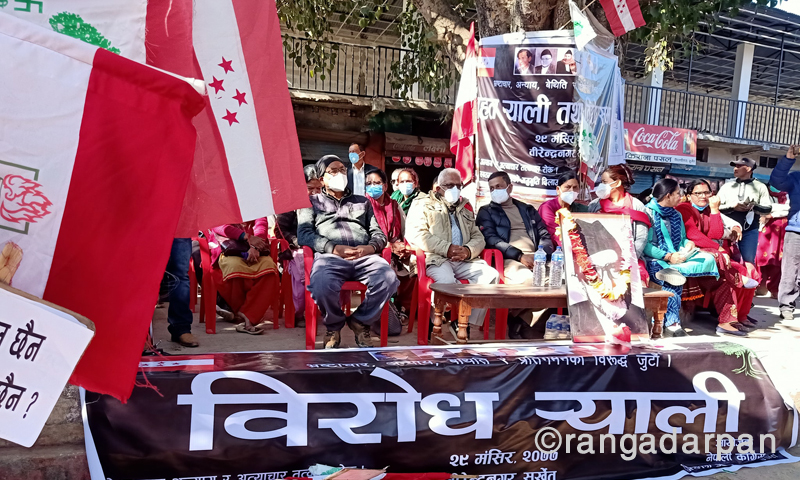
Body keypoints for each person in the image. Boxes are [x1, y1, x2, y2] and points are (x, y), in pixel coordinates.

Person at [298, 155, 398, 348]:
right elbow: (304, 234)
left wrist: (369, 248)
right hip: (330, 257)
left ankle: (360, 321)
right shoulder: (311, 202)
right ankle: (334, 326)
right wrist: (332, 248)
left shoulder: (363, 202)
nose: (340, 174)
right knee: (320, 284)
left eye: (343, 170)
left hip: (364, 257)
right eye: (333, 171)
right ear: (322, 179)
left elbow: (378, 233)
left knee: (388, 278)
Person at [406, 168, 500, 328]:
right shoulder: (422, 204)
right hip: (436, 258)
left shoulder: (465, 206)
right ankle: (434, 325)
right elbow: (417, 234)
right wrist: (447, 248)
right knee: (447, 282)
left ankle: (464, 325)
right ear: (438, 188)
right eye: (450, 185)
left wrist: (468, 251)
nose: (455, 189)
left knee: (491, 275)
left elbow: (478, 237)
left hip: (464, 260)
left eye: (458, 185)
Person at [676, 179, 760, 336]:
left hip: (710, 256)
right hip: (690, 253)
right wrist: (718, 248)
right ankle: (737, 278)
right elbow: (693, 235)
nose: (703, 196)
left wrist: (715, 210)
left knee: (728, 280)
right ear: (689, 196)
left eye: (706, 193)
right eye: (698, 193)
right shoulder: (684, 208)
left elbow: (716, 234)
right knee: (725, 262)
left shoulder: (709, 209)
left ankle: (728, 322)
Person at [476, 171, 553, 338]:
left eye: (499, 186)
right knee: (532, 281)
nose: (495, 191)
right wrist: (520, 256)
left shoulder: (527, 210)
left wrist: (540, 254)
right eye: (491, 188)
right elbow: (491, 239)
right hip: (509, 259)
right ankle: (526, 325)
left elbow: (545, 235)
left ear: (509, 187)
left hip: (537, 258)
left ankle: (518, 319)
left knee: (561, 281)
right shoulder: (486, 211)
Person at [644, 178, 719, 337]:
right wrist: (668, 256)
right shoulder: (647, 213)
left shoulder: (676, 215)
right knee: (673, 279)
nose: (681, 197)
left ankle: (669, 324)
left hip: (676, 257)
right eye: (678, 193)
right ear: (668, 195)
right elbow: (645, 245)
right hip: (655, 259)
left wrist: (688, 243)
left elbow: (682, 239)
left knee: (709, 259)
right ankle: (672, 324)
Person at [209, 218, 280, 335]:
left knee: (270, 270)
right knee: (234, 268)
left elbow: (261, 223)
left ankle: (248, 316)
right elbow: (217, 225)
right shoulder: (220, 205)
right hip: (228, 249)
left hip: (256, 247)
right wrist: (245, 236)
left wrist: (255, 246)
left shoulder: (256, 205)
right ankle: (243, 312)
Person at [275, 164, 323, 328]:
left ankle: (328, 310)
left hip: (320, 247)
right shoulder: (290, 203)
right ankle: (299, 311)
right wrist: (298, 242)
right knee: (302, 261)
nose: (315, 192)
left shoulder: (326, 204)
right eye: (310, 188)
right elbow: (280, 230)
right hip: (296, 248)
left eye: (319, 188)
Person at [588, 165, 651, 284]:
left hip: (630, 260)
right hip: (598, 257)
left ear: (617, 183)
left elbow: (641, 238)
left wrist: (628, 260)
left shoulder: (636, 206)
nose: (601, 185)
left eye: (604, 182)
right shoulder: (594, 205)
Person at [365, 169, 415, 315]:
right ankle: (386, 311)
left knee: (416, 265)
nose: (373, 186)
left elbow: (405, 230)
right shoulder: (362, 205)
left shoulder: (394, 206)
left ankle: (404, 306)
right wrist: (390, 246)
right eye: (369, 183)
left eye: (377, 183)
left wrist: (405, 247)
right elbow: (364, 236)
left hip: (396, 250)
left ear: (385, 186)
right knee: (386, 267)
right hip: (373, 251)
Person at [717, 157, 772, 263]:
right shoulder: (727, 186)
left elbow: (767, 209)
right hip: (728, 230)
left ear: (748, 169)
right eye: (735, 166)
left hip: (750, 230)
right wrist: (732, 207)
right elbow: (715, 207)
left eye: (739, 166)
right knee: (727, 261)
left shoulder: (760, 187)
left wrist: (753, 206)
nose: (735, 169)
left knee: (748, 261)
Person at [770, 145, 800, 321]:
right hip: (796, 231)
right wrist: (788, 158)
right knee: (791, 270)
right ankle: (786, 306)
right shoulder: (796, 178)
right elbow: (776, 182)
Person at [756, 185, 790, 298]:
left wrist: (771, 213)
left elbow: (789, 208)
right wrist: (771, 211)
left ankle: (774, 288)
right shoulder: (763, 191)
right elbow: (759, 207)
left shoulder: (788, 193)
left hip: (780, 231)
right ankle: (760, 286)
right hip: (764, 229)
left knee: (777, 259)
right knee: (761, 258)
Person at [538, 171, 588, 245]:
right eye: (568, 187)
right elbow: (556, 234)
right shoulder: (547, 207)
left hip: (578, 246)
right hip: (555, 248)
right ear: (558, 190)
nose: (572, 191)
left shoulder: (582, 209)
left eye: (575, 187)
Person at [166, 238, 198, 347]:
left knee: (180, 274)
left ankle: (180, 328)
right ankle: (139, 331)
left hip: (180, 230)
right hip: (146, 228)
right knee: (144, 273)